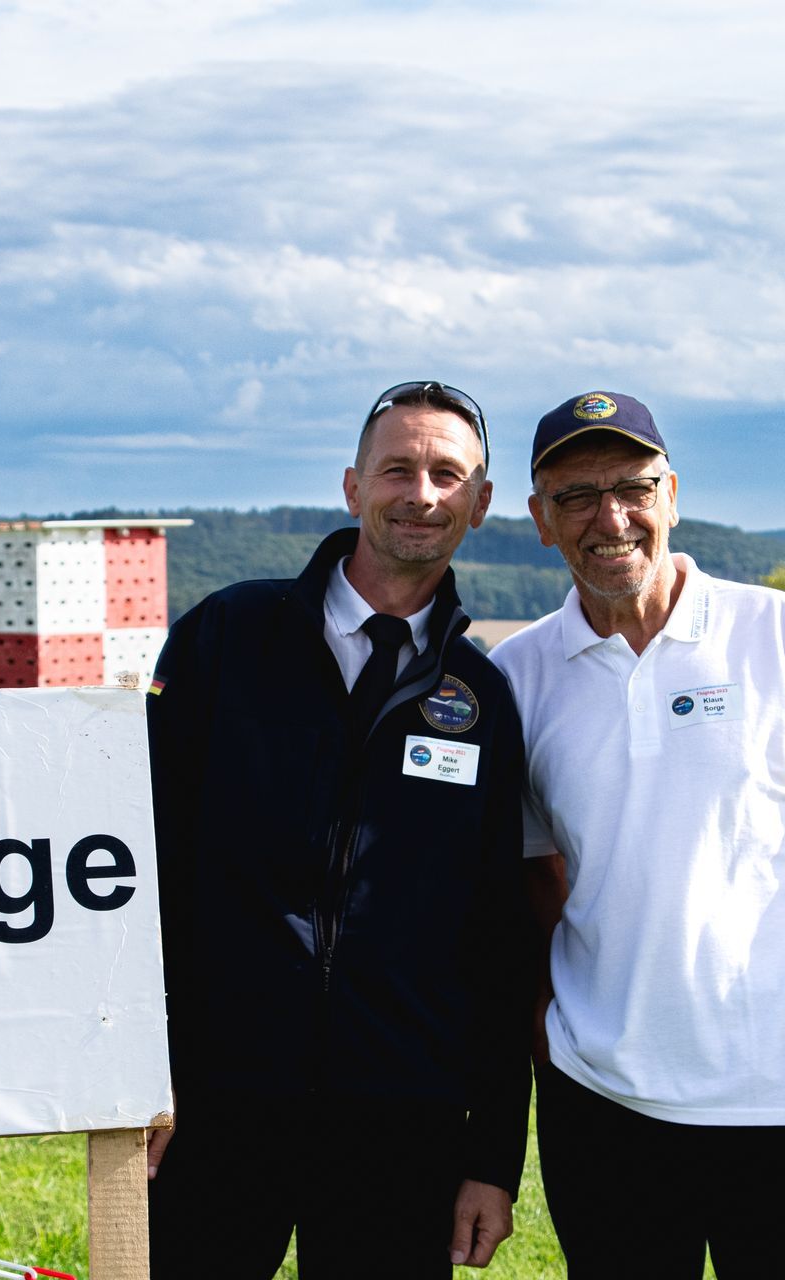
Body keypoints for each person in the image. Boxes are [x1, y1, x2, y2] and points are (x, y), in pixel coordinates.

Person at [489, 391, 785, 1279]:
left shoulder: (774, 631)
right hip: (602, 1103)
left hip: (777, 1099)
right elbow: (535, 873)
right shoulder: (519, 672)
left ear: (672, 496)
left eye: (633, 487)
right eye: (576, 496)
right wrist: (548, 1024)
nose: (611, 518)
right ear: (540, 520)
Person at [145, 381, 535, 1277]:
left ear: (478, 506)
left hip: (401, 1128)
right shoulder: (227, 638)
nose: (422, 493)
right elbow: (142, 865)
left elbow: (499, 944)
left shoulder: (482, 702)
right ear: (353, 486)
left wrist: (491, 1161)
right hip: (216, 1103)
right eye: (398, 468)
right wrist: (141, 1076)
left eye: (448, 474)